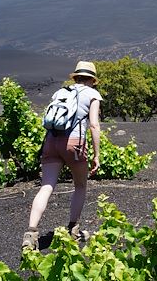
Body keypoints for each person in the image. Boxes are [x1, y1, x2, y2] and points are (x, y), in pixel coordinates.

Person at [22, 61, 103, 250]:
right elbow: (93, 125)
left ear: (75, 77)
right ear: (92, 80)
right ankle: (73, 230)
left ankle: (31, 233)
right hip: (74, 144)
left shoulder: (60, 93)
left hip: (51, 142)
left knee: (46, 186)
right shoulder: (93, 94)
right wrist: (96, 154)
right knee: (80, 186)